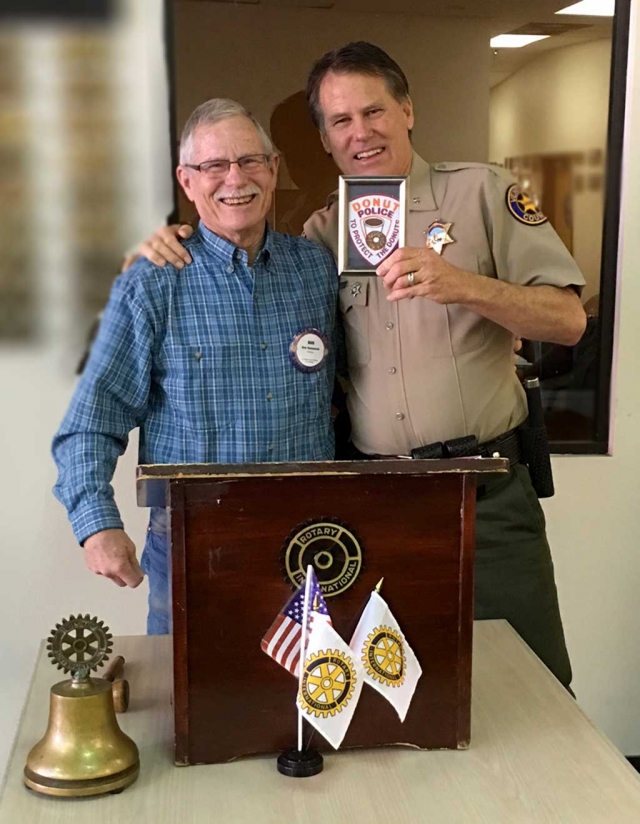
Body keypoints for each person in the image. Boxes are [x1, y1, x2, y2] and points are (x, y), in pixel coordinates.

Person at [134, 43, 586, 688]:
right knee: (394, 697)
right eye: (340, 121)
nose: (360, 132)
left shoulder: (483, 192)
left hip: (484, 496)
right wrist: (172, 238)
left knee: (535, 691)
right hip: (376, 510)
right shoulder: (320, 237)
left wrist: (467, 285)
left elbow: (567, 320)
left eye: (373, 111)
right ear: (323, 138)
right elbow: (245, 275)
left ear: (407, 109)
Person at [52, 99, 338, 635]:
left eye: (251, 161)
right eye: (214, 166)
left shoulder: (315, 270)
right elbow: (92, 419)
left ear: (274, 169)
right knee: (188, 707)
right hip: (193, 544)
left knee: (306, 703)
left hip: (311, 541)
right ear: (187, 182)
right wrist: (96, 525)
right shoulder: (152, 282)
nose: (236, 179)